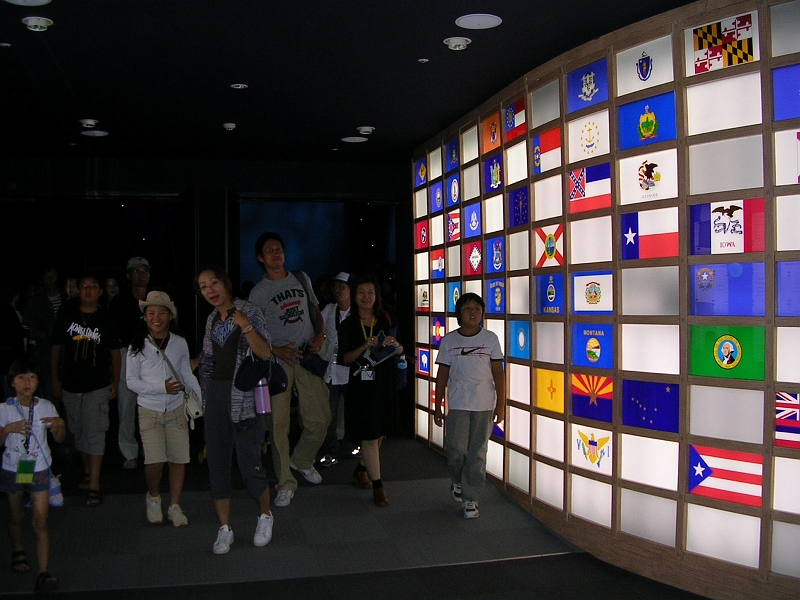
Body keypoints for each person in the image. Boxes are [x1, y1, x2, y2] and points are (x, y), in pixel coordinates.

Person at [248, 232, 331, 507]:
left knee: (320, 417)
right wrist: (276, 351)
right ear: (261, 258)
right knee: (279, 425)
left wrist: (320, 334)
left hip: (307, 355)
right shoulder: (258, 293)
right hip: (279, 361)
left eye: (279, 249)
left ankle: (302, 459)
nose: (276, 253)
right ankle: (285, 481)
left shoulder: (301, 277)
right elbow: (253, 335)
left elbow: (315, 310)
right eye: (269, 250)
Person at [195, 266, 274, 554]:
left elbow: (265, 353)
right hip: (216, 393)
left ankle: (265, 515)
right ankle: (224, 528)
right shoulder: (212, 319)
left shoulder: (248, 311)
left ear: (225, 284)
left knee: (249, 462)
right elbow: (206, 360)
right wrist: (204, 395)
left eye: (214, 283)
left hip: (244, 395)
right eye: (204, 287)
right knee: (216, 463)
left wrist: (246, 326)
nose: (210, 291)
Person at [126, 291, 200, 527]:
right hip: (149, 410)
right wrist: (161, 388)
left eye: (161, 313)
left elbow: (186, 373)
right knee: (154, 462)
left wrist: (200, 398)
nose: (156, 317)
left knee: (178, 460)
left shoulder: (179, 343)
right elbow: (131, 381)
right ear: (145, 317)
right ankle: (154, 496)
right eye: (151, 313)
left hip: (177, 408)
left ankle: (174, 505)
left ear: (170, 316)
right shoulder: (137, 345)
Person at [50, 274, 121, 506]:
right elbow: (56, 347)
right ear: (77, 290)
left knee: (95, 432)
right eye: (84, 286)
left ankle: (94, 484)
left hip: (97, 384)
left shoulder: (107, 318)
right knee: (78, 430)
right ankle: (88, 472)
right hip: (71, 384)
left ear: (100, 291)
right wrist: (55, 379)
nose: (88, 290)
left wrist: (116, 380)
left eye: (93, 286)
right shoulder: (67, 315)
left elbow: (114, 351)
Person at [433, 292, 505, 519]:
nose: (472, 312)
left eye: (477, 308)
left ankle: (471, 498)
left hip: (484, 404)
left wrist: (501, 405)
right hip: (458, 402)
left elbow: (498, 374)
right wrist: (437, 405)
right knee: (456, 450)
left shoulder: (490, 339)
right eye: (467, 308)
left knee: (477, 452)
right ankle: (457, 480)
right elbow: (442, 374)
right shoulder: (450, 341)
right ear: (459, 314)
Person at [1, 359, 65, 592]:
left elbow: (59, 439)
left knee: (40, 521)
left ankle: (43, 572)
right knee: (16, 517)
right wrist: (8, 429)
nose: (27, 382)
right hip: (13, 468)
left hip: (38, 467)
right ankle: (17, 549)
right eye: (21, 377)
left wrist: (59, 425)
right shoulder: (5, 409)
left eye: (32, 377)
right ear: (11, 383)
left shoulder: (46, 405)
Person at [338, 273, 402, 507]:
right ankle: (378, 486)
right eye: (361, 293)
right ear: (354, 296)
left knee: (380, 432)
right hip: (361, 385)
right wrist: (365, 345)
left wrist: (398, 347)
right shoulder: (348, 324)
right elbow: (344, 358)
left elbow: (399, 347)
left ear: (377, 296)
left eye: (371, 292)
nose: (366, 297)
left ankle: (362, 468)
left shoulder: (385, 318)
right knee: (370, 434)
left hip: (383, 382)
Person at [110, 257, 152, 470]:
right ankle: (129, 451)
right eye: (136, 271)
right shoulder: (119, 302)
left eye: (145, 270)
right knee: (126, 405)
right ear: (129, 275)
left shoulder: (156, 299)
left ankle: (150, 448)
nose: (141, 274)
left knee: (151, 404)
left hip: (153, 355)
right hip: (127, 354)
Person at [317, 272, 351, 468]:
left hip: (350, 371)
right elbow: (318, 331)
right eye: (336, 287)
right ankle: (330, 450)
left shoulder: (357, 312)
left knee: (353, 411)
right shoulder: (329, 310)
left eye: (342, 287)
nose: (338, 291)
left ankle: (355, 445)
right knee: (328, 413)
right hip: (330, 368)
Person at [22, 267, 66, 400]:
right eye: (47, 276)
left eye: (52, 275)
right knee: (49, 397)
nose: (50, 279)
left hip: (67, 358)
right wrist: (47, 334)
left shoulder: (67, 299)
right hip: (44, 358)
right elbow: (28, 330)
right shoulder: (36, 301)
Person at [0, 281, 27, 401]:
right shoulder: (7, 312)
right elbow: (15, 335)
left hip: (12, 362)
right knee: (10, 396)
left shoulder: (14, 311)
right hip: (9, 363)